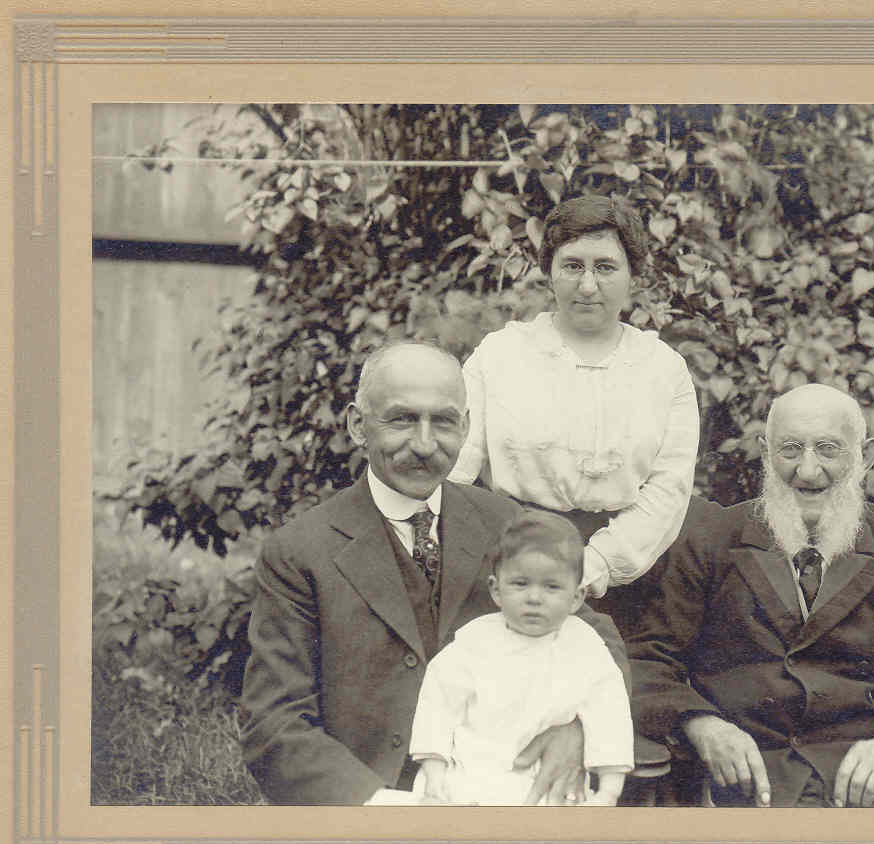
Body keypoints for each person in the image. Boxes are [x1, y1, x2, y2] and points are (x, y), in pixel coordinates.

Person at [239, 341, 628, 805]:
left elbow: (598, 640)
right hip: (368, 811)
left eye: (443, 421)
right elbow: (274, 723)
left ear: (465, 428)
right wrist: (386, 807)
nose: (425, 445)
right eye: (402, 419)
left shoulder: (504, 522)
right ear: (356, 426)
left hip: (502, 793)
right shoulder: (301, 551)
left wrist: (581, 730)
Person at [628, 383, 874, 808]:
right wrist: (701, 724)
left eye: (828, 449)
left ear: (865, 457)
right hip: (734, 791)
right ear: (765, 451)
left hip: (868, 797)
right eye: (790, 449)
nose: (807, 471)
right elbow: (645, 664)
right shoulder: (710, 543)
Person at [449, 195, 700, 630]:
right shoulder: (501, 355)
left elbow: (668, 490)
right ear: (549, 271)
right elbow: (454, 465)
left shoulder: (664, 369)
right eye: (572, 266)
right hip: (510, 567)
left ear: (633, 276)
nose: (587, 286)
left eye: (605, 267)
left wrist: (594, 565)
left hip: (626, 581)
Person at [409, 510, 633, 806]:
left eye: (552, 587)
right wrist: (434, 771)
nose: (534, 598)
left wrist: (609, 790)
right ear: (496, 589)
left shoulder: (586, 648)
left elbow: (610, 714)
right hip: (468, 776)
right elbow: (438, 706)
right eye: (520, 584)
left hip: (545, 783)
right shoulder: (473, 643)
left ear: (576, 597)